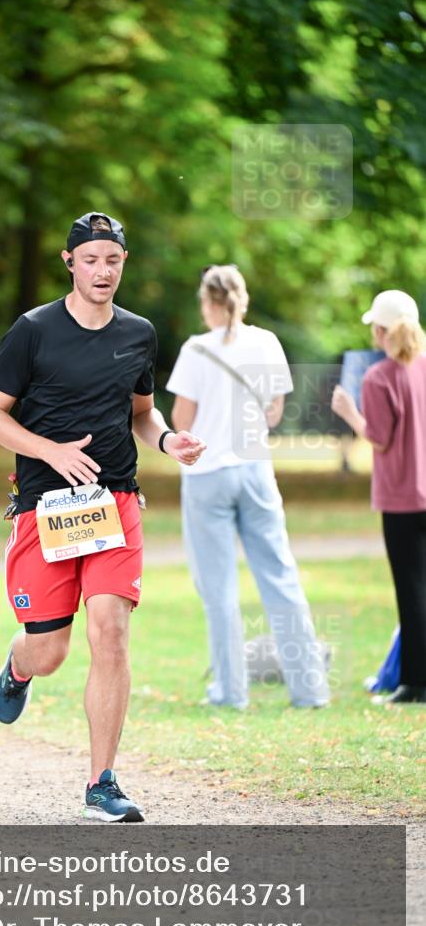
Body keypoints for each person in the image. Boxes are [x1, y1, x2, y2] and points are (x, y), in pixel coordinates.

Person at [0, 212, 205, 822]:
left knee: (111, 631)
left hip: (114, 502)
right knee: (50, 651)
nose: (103, 271)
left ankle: (102, 782)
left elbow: (141, 414)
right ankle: (19, 667)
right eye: (92, 259)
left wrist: (167, 441)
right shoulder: (33, 330)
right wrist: (48, 450)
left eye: (113, 260)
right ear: (69, 262)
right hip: (45, 505)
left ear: (124, 263)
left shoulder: (139, 333)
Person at [166, 264, 330, 710]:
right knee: (281, 578)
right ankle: (310, 689)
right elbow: (274, 412)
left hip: (207, 476)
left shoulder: (197, 349)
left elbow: (182, 420)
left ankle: (230, 691)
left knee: (218, 588)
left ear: (209, 303)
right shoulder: (266, 343)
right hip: (256, 470)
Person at [332, 289, 426, 704]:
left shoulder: (378, 377)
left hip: (401, 497)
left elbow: (381, 439)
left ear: (382, 329)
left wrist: (350, 412)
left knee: (410, 589)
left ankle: (415, 682)